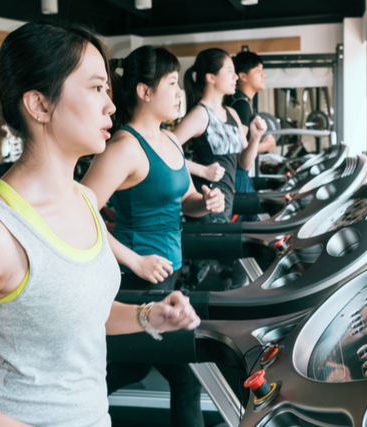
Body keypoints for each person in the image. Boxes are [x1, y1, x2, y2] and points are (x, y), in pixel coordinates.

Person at [0, 23, 200, 427]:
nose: (110, 105)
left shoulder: (84, 201)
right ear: (39, 104)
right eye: (95, 89)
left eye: (108, 90)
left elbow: (78, 314)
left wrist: (149, 315)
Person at [81, 45, 225, 427]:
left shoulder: (171, 141)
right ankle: (66, 405)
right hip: (133, 280)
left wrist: (206, 202)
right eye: (173, 84)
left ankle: (69, 402)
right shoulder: (125, 148)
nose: (181, 93)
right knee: (184, 375)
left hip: (168, 275)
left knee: (132, 368)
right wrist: (133, 259)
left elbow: (186, 202)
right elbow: (78, 214)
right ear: (145, 91)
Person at [173, 48, 267, 222]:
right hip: (206, 203)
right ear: (211, 77)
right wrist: (202, 170)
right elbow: (163, 151)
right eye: (230, 71)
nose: (236, 77)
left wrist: (255, 137)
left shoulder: (231, 113)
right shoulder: (200, 114)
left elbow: (244, 164)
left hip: (225, 204)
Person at [224, 50, 276, 195]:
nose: (263, 74)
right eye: (258, 70)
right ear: (242, 76)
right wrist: (264, 146)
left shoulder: (240, 101)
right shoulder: (241, 105)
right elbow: (237, 148)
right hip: (237, 176)